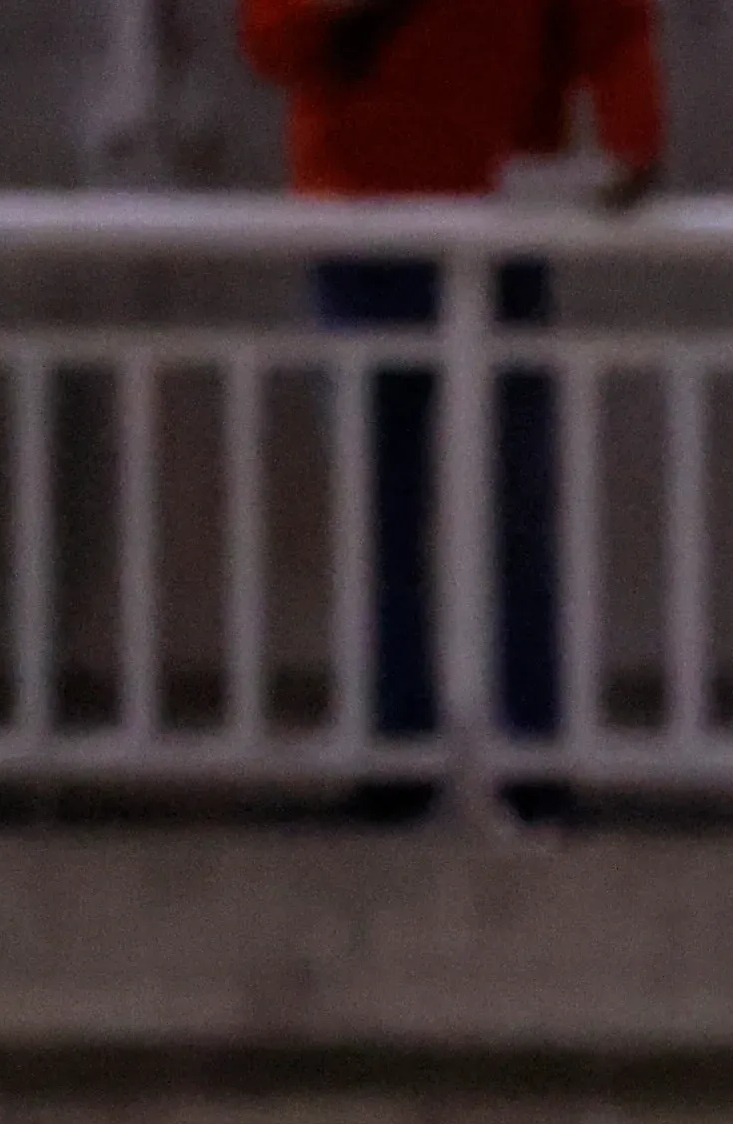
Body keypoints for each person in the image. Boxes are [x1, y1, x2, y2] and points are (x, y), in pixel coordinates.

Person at [236, 0, 663, 826]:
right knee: (411, 503)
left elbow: (609, 30)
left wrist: (632, 136)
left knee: (461, 502)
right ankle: (452, 751)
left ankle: (472, 752)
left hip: (440, 212)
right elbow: (274, 37)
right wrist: (631, 139)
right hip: (407, 217)